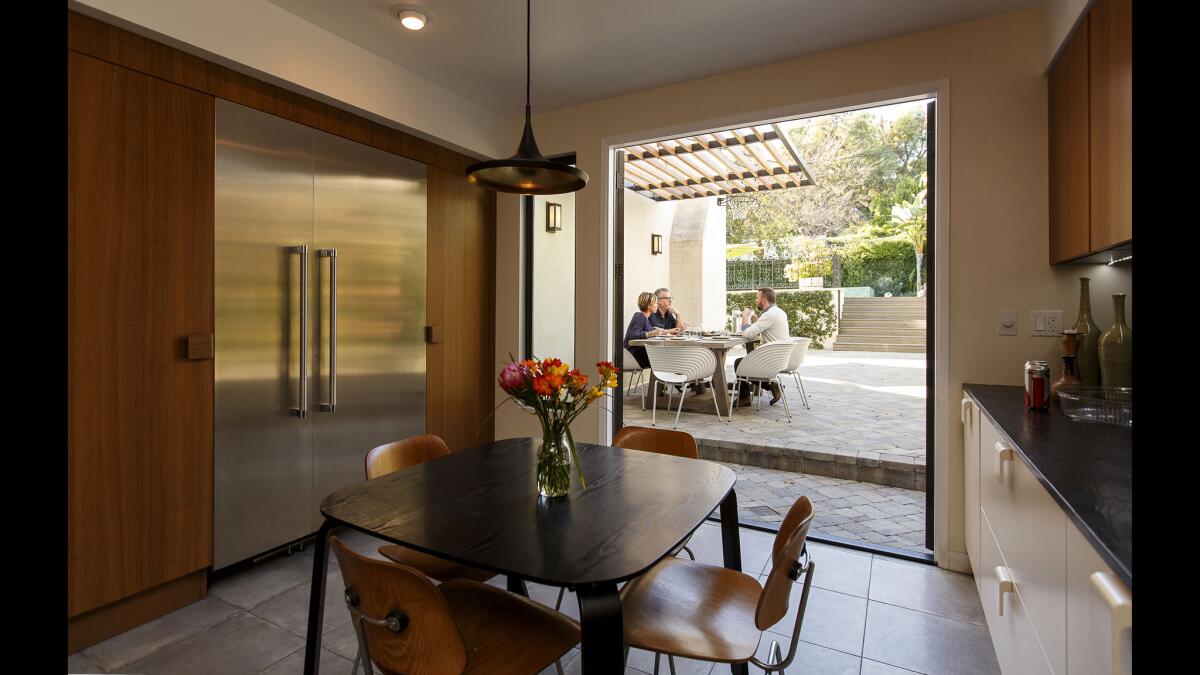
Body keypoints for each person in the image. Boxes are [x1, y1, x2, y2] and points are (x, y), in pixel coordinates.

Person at [733, 287, 791, 406]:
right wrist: (756, 321)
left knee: (739, 363)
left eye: (757, 298)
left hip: (772, 359)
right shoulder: (778, 312)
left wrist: (744, 315)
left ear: (763, 300)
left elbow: (747, 334)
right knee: (745, 362)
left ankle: (745, 398)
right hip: (781, 357)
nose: (756, 300)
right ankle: (772, 386)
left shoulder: (769, 315)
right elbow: (764, 327)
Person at [624, 291, 671, 369]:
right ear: (649, 306)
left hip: (637, 354)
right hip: (632, 356)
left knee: (663, 358)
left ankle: (661, 380)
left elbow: (649, 330)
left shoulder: (644, 318)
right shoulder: (640, 316)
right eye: (655, 303)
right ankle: (663, 380)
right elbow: (632, 335)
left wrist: (662, 332)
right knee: (663, 359)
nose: (657, 305)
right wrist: (650, 334)